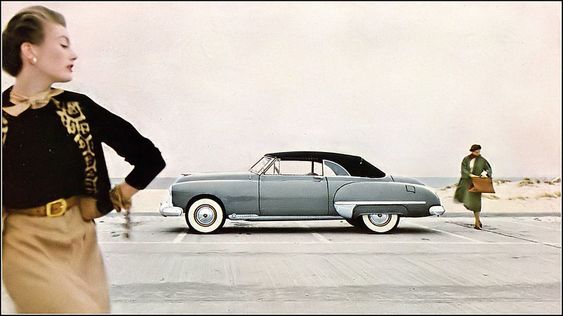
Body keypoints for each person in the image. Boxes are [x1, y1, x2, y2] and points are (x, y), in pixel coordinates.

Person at [1, 6, 166, 313]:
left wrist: (119, 195)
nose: (73, 54)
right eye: (63, 44)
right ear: (30, 51)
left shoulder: (79, 107)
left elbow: (148, 157)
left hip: (80, 240)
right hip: (23, 242)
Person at [454, 144, 492, 230]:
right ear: (472, 151)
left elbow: (488, 169)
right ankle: (477, 219)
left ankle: (477, 221)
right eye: (476, 152)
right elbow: (463, 170)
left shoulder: (482, 160)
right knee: (466, 201)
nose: (478, 153)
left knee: (476, 202)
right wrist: (469, 175)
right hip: (466, 182)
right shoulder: (466, 159)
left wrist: (485, 174)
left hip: (477, 183)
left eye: (479, 152)